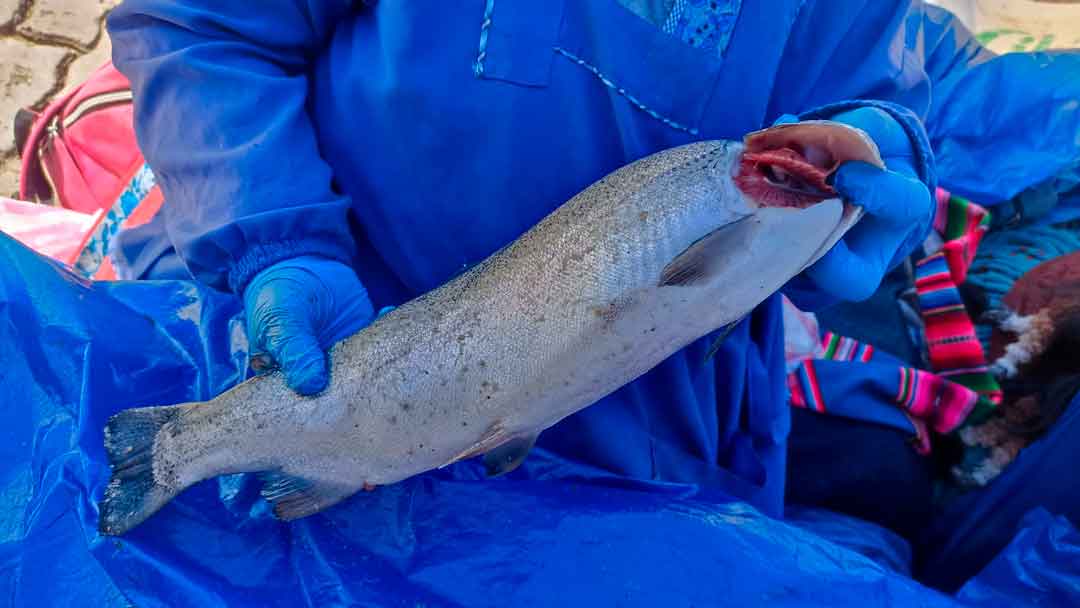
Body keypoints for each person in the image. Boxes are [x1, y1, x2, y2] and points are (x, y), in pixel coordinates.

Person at [103, 1, 935, 524]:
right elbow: (199, 24)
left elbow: (875, 86)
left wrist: (879, 148)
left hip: (628, 436)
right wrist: (269, 241)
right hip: (290, 328)